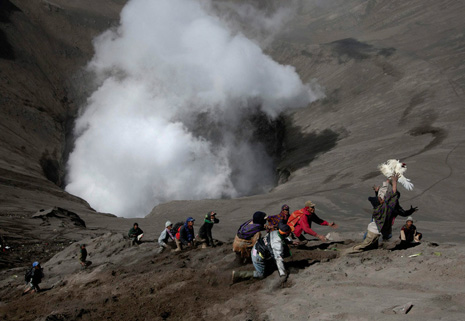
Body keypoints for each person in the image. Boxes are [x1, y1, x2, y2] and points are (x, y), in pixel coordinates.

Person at [347, 174, 418, 254]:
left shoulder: (382, 205)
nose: (382, 198)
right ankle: (346, 252)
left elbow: (383, 195)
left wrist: (382, 186)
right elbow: (402, 210)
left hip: (378, 225)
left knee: (372, 240)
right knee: (366, 243)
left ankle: (374, 244)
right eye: (380, 198)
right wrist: (394, 182)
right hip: (379, 227)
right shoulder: (388, 206)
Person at [232, 221, 294, 287]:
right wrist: (283, 274)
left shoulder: (275, 232)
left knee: (272, 260)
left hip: (256, 248)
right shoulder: (277, 244)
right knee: (261, 275)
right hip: (257, 256)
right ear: (286, 234)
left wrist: (291, 242)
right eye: (289, 232)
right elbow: (279, 259)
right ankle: (238, 274)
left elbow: (280, 239)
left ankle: (265, 264)